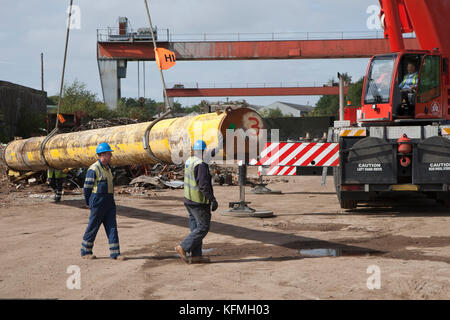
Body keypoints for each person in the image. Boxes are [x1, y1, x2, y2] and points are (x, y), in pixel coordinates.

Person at [175, 139, 218, 264]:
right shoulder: (201, 165)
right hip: (198, 202)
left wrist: (220, 146)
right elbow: (204, 185)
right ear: (203, 151)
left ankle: (196, 256)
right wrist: (212, 200)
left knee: (195, 229)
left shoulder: (190, 161)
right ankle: (183, 247)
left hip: (188, 200)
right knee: (203, 227)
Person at [80, 142, 125, 260]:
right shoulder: (93, 169)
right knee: (93, 226)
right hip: (97, 201)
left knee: (112, 227)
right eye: (109, 154)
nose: (111, 156)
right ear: (102, 154)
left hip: (109, 201)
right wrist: (88, 202)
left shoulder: (108, 169)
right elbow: (87, 188)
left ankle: (115, 253)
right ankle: (85, 252)